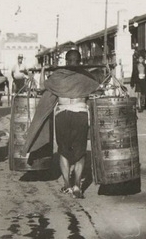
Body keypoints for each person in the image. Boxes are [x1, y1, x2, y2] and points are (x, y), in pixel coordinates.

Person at [23, 50, 101, 199]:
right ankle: (77, 185)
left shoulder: (57, 76)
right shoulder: (85, 76)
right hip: (81, 114)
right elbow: (98, 88)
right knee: (80, 151)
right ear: (79, 61)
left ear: (66, 61)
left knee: (63, 151)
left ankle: (67, 185)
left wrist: (44, 70)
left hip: (62, 114)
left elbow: (42, 88)